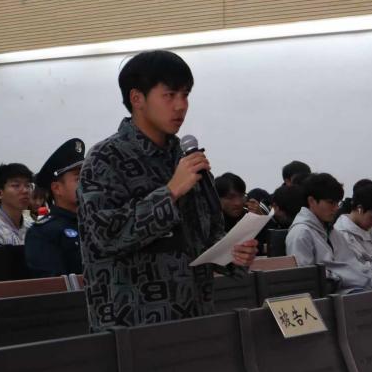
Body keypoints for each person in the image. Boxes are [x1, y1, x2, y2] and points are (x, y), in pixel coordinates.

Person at [78, 50, 257, 330]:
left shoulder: (186, 158)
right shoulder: (105, 159)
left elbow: (205, 236)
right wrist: (170, 191)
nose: (181, 106)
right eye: (170, 95)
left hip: (195, 315)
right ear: (137, 98)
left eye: (185, 95)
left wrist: (233, 254)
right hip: (131, 325)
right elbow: (107, 236)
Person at [286, 173, 372, 293]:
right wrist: (342, 278)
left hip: (352, 289)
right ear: (312, 201)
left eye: (337, 203)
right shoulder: (301, 234)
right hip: (335, 295)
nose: (336, 208)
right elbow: (307, 281)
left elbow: (353, 266)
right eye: (331, 203)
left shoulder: (332, 232)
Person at [25, 139, 85, 277]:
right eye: (78, 178)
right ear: (57, 188)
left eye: (88, 175)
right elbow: (53, 285)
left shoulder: (96, 223)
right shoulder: (43, 233)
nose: (87, 182)